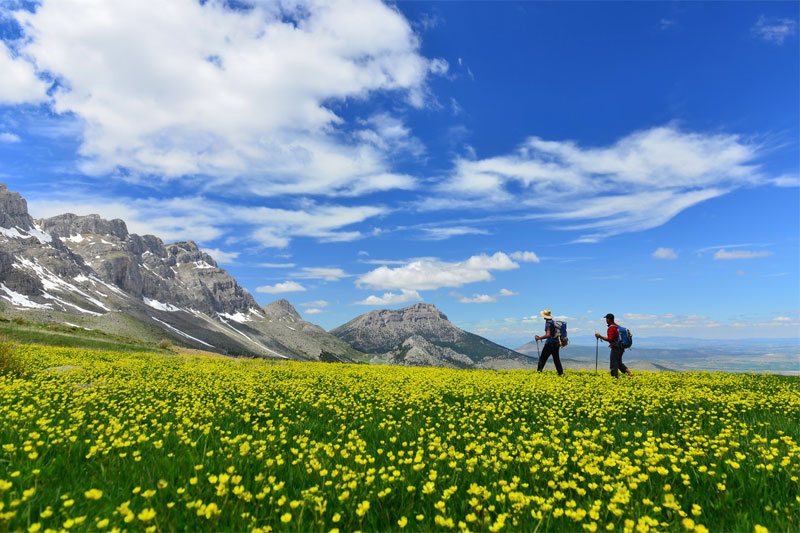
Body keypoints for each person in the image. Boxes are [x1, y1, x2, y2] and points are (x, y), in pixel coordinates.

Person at [595, 313, 633, 378]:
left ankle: (614, 378)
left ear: (608, 319)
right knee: (618, 363)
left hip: (616, 348)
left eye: (606, 319)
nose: (606, 320)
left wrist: (600, 336)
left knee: (613, 364)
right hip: (621, 347)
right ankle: (629, 373)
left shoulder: (611, 328)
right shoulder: (617, 326)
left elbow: (610, 339)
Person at [534, 308, 564, 375]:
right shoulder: (553, 322)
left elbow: (548, 335)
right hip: (556, 343)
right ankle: (561, 374)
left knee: (542, 359)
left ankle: (538, 373)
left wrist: (539, 338)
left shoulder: (548, 323)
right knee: (556, 359)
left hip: (550, 344)